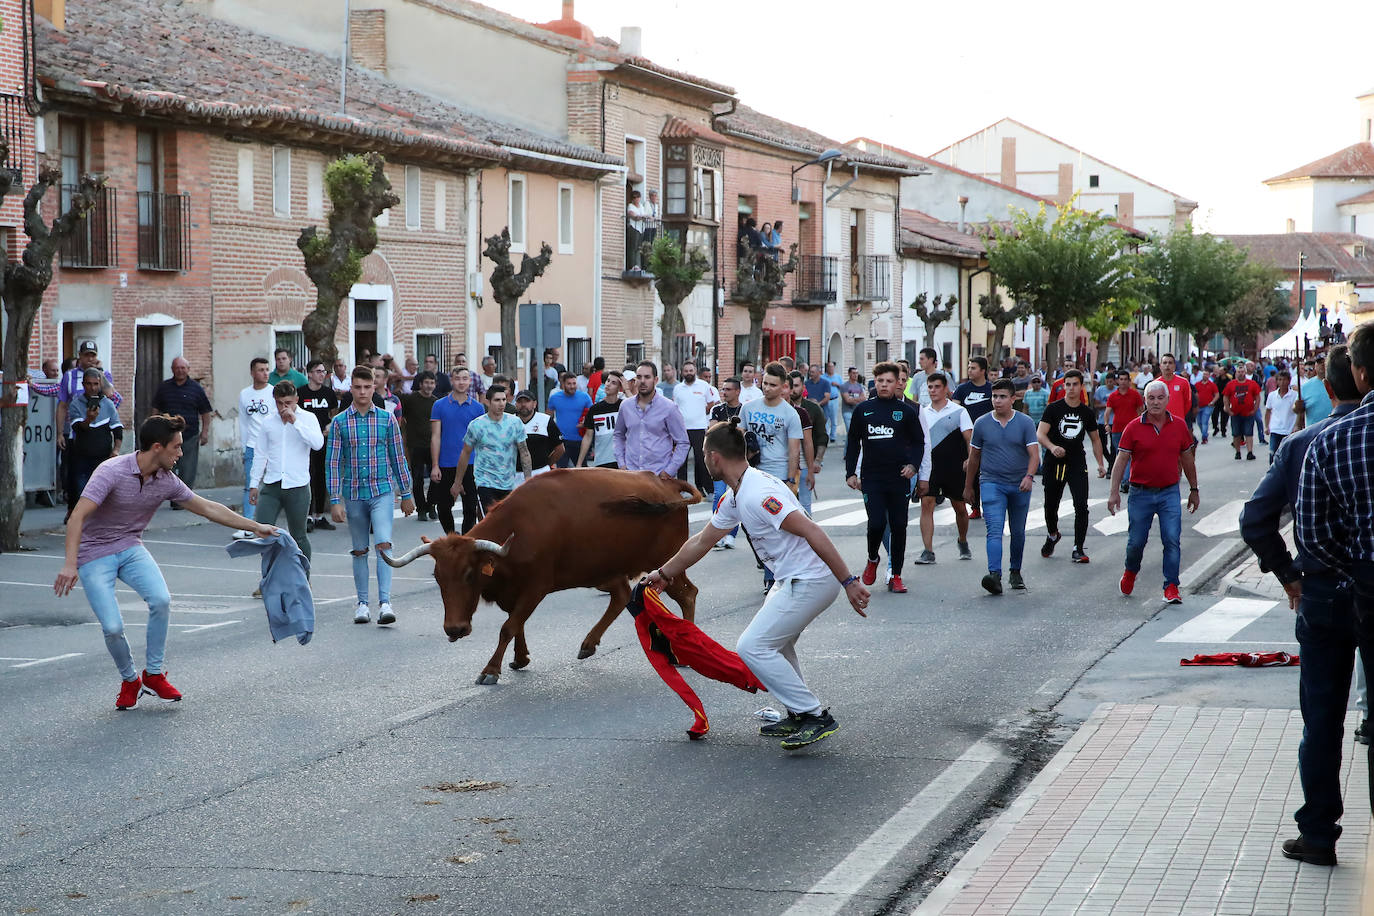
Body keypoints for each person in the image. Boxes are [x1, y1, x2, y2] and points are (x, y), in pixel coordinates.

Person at [645, 417, 871, 750]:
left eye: (704, 455)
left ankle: (814, 715)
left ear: (715, 458)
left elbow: (812, 530)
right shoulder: (737, 495)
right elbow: (701, 542)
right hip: (791, 578)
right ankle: (799, 712)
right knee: (777, 644)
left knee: (753, 647)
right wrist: (663, 574)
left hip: (810, 579)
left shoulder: (757, 493)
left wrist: (849, 581)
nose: (703, 461)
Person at [1240, 344, 1366, 868]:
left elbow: (1255, 521)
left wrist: (1290, 575)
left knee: (1322, 718)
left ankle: (1318, 831)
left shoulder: (1304, 444)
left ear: (1330, 388)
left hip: (1322, 594)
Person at [53, 414, 276, 709]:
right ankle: (130, 679)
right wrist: (70, 564)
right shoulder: (112, 471)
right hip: (94, 553)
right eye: (176, 447)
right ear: (157, 447)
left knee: (161, 600)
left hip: (130, 547)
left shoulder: (166, 481)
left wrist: (255, 526)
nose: (181, 453)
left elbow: (208, 508)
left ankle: (154, 674)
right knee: (112, 627)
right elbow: (77, 516)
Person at [327, 366, 416, 626]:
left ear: (374, 388)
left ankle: (385, 602)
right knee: (358, 549)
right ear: (351, 389)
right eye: (357, 387)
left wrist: (407, 492)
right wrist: (334, 500)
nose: (363, 392)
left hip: (382, 491)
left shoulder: (387, 419)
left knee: (384, 543)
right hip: (353, 492)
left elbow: (398, 457)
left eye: (367, 387)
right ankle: (362, 604)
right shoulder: (340, 422)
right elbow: (333, 463)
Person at [1107, 379, 1201, 604]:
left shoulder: (1179, 426)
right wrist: (1114, 492)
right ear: (1145, 401)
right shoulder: (1133, 427)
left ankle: (1171, 586)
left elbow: (1188, 459)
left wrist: (1194, 489)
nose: (1156, 402)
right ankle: (1130, 571)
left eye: (1160, 398)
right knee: (1136, 542)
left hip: (1169, 492)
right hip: (1140, 493)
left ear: (1168, 400)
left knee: (1172, 539)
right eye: (1151, 398)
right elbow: (1120, 462)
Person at [845, 361, 924, 594]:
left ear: (898, 382)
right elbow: (852, 443)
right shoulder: (863, 410)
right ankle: (872, 558)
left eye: (889, 381)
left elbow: (919, 442)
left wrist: (914, 466)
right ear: (875, 382)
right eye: (880, 381)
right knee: (877, 523)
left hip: (899, 477)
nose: (884, 385)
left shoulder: (907, 412)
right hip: (872, 477)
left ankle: (896, 574)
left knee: (899, 526)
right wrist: (850, 473)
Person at [964, 380, 1039, 595]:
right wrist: (968, 487)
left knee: (1017, 532)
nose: (997, 401)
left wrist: (1029, 476)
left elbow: (1034, 455)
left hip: (1019, 485)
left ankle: (1015, 571)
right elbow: (974, 456)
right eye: (994, 396)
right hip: (991, 483)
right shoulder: (981, 423)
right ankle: (994, 575)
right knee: (994, 530)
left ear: (1013, 399)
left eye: (1002, 396)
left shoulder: (1024, 423)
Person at [248, 380, 323, 562]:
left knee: (299, 536)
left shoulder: (308, 418)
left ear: (296, 399)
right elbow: (260, 453)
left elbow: (317, 444)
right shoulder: (268, 422)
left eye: (288, 403)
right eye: (280, 403)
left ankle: (303, 579)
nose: (283, 408)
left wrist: (295, 421)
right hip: (272, 484)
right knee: (264, 533)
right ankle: (269, 579)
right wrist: (253, 484)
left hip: (297, 485)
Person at [1037, 370, 1107, 564]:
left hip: (1076, 462)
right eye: (1067, 385)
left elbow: (1095, 439)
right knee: (1051, 505)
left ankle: (1078, 547)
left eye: (1075, 384)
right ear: (1063, 386)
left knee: (1081, 506)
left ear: (1081, 386)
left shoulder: (1086, 412)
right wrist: (1052, 447)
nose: (1071, 388)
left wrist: (1101, 464)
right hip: (1055, 463)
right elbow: (1040, 434)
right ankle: (1053, 534)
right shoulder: (1053, 409)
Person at [914, 372, 973, 565]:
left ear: (946, 388)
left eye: (937, 387)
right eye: (930, 387)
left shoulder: (959, 411)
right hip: (930, 468)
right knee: (927, 504)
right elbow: (919, 441)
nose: (933, 391)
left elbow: (969, 439)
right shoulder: (922, 412)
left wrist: (970, 459)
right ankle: (928, 551)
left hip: (955, 467)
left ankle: (962, 540)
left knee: (960, 508)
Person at [454, 385, 532, 513]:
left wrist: (528, 478)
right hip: (485, 481)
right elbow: (465, 453)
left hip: (508, 482)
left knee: (507, 522)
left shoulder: (515, 423)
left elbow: (524, 452)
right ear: (488, 401)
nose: (501, 404)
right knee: (492, 520)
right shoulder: (477, 425)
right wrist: (457, 482)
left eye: (503, 400)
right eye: (497, 400)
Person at [429, 367, 486, 535]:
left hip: (471, 464)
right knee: (444, 507)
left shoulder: (478, 408)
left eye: (465, 378)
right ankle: (451, 537)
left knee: (470, 507)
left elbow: (481, 441)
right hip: (446, 463)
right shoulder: (439, 405)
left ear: (470, 382)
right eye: (457, 378)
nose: (461, 382)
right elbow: (435, 436)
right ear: (451, 381)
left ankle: (465, 541)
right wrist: (435, 465)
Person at [64, 369, 124, 521]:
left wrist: (116, 450)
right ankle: (78, 522)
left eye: (96, 384)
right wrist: (88, 420)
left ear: (100, 384)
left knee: (103, 493)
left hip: (103, 457)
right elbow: (77, 428)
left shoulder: (108, 404)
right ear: (83, 384)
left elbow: (117, 429)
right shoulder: (76, 404)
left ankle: (99, 523)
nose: (92, 388)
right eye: (89, 384)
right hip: (82, 456)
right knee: (80, 492)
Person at [151, 357, 213, 496]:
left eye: (183, 368)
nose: (180, 371)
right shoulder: (164, 387)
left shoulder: (196, 388)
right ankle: (169, 494)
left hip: (190, 436)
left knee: (188, 469)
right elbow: (156, 409)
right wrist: (154, 428)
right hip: (168, 436)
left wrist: (204, 433)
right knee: (167, 467)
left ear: (188, 369)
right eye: (177, 368)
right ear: (172, 369)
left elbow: (205, 412)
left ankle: (183, 498)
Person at [615, 361, 689, 475]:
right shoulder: (626, 406)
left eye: (647, 377)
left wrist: (669, 471)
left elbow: (683, 442)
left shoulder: (669, 408)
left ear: (656, 380)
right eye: (639, 377)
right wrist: (621, 464)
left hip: (658, 476)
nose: (643, 381)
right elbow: (618, 435)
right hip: (631, 474)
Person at [56, 339, 121, 461]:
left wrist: (99, 372)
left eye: (93, 355)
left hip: (100, 434)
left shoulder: (104, 374)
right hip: (76, 432)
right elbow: (62, 405)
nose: (90, 359)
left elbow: (110, 394)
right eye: (86, 355)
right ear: (80, 355)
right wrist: (60, 433)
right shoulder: (70, 376)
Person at [299, 359, 340, 531]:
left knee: (322, 476)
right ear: (309, 373)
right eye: (318, 371)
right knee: (307, 476)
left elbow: (334, 414)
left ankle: (320, 516)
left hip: (323, 440)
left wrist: (330, 427)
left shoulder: (328, 393)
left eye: (323, 371)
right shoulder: (300, 393)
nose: (322, 374)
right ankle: (307, 515)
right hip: (305, 442)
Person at [237, 358, 273, 537]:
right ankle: (248, 525)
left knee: (271, 484)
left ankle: (267, 522)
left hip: (271, 447)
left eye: (267, 369)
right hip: (252, 446)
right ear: (252, 373)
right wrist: (244, 446)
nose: (265, 373)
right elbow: (243, 422)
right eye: (261, 370)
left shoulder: (273, 393)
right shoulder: (244, 394)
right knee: (250, 485)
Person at [707, 377, 744, 549]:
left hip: (736, 461)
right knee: (719, 496)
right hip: (719, 460)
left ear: (737, 391)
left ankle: (731, 534)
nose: (724, 392)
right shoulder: (717, 409)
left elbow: (742, 434)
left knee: (735, 497)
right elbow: (712, 431)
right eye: (723, 389)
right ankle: (718, 534)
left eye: (728, 389)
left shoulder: (743, 409)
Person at [397, 370, 439, 519]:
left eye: (432, 383)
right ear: (420, 384)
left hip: (433, 445)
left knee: (436, 478)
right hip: (415, 445)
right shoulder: (410, 399)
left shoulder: (436, 402)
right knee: (418, 478)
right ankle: (421, 509)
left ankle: (432, 505)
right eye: (426, 382)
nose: (429, 385)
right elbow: (400, 414)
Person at [673, 359, 719, 493]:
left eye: (691, 370)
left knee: (702, 461)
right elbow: (675, 407)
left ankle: (709, 490)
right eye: (686, 371)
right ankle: (682, 490)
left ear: (695, 372)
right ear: (682, 373)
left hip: (699, 428)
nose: (688, 373)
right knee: (681, 462)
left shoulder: (704, 386)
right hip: (682, 429)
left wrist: (699, 413)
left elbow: (711, 403)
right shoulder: (677, 388)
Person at [786, 371, 822, 517]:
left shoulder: (804, 411)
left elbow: (811, 441)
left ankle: (806, 538)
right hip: (782, 466)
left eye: (796, 386)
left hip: (803, 466)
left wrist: (813, 466)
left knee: (805, 506)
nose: (793, 390)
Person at [1104, 369, 1145, 494]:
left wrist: (1141, 425)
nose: (1122, 382)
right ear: (1117, 381)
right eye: (1120, 379)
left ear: (1129, 381)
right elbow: (1107, 412)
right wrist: (1106, 424)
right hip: (1117, 430)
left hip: (1132, 430)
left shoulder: (1135, 395)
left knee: (1130, 457)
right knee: (1120, 456)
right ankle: (1125, 481)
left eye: (1125, 379)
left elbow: (1141, 410)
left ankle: (1126, 481)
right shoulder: (1113, 396)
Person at [578, 372, 624, 468]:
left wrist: (627, 389)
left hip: (622, 461)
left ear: (620, 388)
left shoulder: (625, 406)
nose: (608, 384)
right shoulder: (595, 409)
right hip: (601, 461)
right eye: (608, 381)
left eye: (613, 383)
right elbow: (588, 436)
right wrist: (579, 463)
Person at [547, 371, 592, 469]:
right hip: (562, 441)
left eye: (574, 383)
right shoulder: (554, 398)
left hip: (580, 441)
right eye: (569, 384)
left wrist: (585, 422)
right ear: (563, 384)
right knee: (562, 473)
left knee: (582, 472)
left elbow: (591, 417)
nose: (572, 386)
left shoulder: (585, 397)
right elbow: (548, 419)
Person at [515, 389, 563, 475]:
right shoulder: (509, 421)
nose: (523, 404)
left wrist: (546, 465)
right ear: (516, 404)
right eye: (520, 401)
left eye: (527, 401)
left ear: (534, 404)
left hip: (540, 473)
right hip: (515, 474)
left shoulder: (546, 420)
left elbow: (560, 449)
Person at [1223, 365, 1262, 460]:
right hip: (1235, 413)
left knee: (1249, 433)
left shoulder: (1252, 384)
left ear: (1245, 373)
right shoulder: (1230, 384)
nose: (1241, 374)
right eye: (1239, 372)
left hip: (1248, 413)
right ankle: (1238, 452)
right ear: (1236, 374)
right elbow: (1226, 397)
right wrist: (1228, 409)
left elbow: (1257, 397)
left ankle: (1250, 452)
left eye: (1242, 372)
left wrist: (1255, 409)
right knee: (1236, 434)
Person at [1263, 369, 1301, 464]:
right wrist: (1267, 426)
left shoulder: (1294, 395)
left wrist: (1297, 425)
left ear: (1289, 381)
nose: (1282, 382)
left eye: (1284, 380)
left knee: (1289, 455)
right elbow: (1268, 411)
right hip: (1276, 429)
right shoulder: (1272, 395)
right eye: (1280, 380)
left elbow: (1299, 412)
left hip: (1289, 429)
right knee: (1273, 454)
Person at [1157, 354, 1192, 431]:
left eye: (1170, 363)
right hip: (1160, 423)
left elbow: (1187, 403)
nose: (1167, 365)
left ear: (1174, 366)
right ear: (1160, 366)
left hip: (1178, 423)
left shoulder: (1183, 382)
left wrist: (1179, 414)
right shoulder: (1155, 384)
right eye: (1165, 363)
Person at [1193, 370, 1218, 445]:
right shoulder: (1197, 384)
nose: (1205, 376)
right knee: (1199, 422)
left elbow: (1217, 394)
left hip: (1208, 406)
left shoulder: (1212, 384)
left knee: (1204, 421)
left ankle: (1204, 437)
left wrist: (1213, 402)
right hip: (1198, 406)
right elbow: (1194, 394)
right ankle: (1204, 433)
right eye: (1204, 374)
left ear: (1209, 376)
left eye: (1206, 374)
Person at [820, 360, 844, 439]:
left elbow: (843, 388)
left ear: (834, 368)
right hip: (825, 400)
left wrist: (837, 384)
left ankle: (833, 436)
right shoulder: (823, 377)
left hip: (834, 400)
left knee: (834, 419)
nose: (831, 368)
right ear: (827, 368)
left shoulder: (838, 377)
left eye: (832, 367)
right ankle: (826, 435)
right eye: (829, 367)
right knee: (825, 418)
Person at [625, 189, 646, 270]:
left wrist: (644, 217)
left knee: (639, 248)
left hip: (641, 228)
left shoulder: (641, 206)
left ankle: (638, 265)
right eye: (634, 198)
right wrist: (640, 217)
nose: (636, 199)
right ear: (632, 199)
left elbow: (643, 216)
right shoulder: (630, 206)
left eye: (638, 197)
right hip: (634, 228)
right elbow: (633, 216)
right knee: (633, 247)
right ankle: (632, 265)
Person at [840, 366, 866, 431]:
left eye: (856, 373)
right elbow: (847, 400)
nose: (855, 375)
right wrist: (858, 399)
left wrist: (853, 399)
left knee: (856, 432)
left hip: (858, 411)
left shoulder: (859, 386)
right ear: (849, 374)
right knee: (850, 430)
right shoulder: (844, 386)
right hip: (847, 411)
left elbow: (864, 398)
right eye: (853, 373)